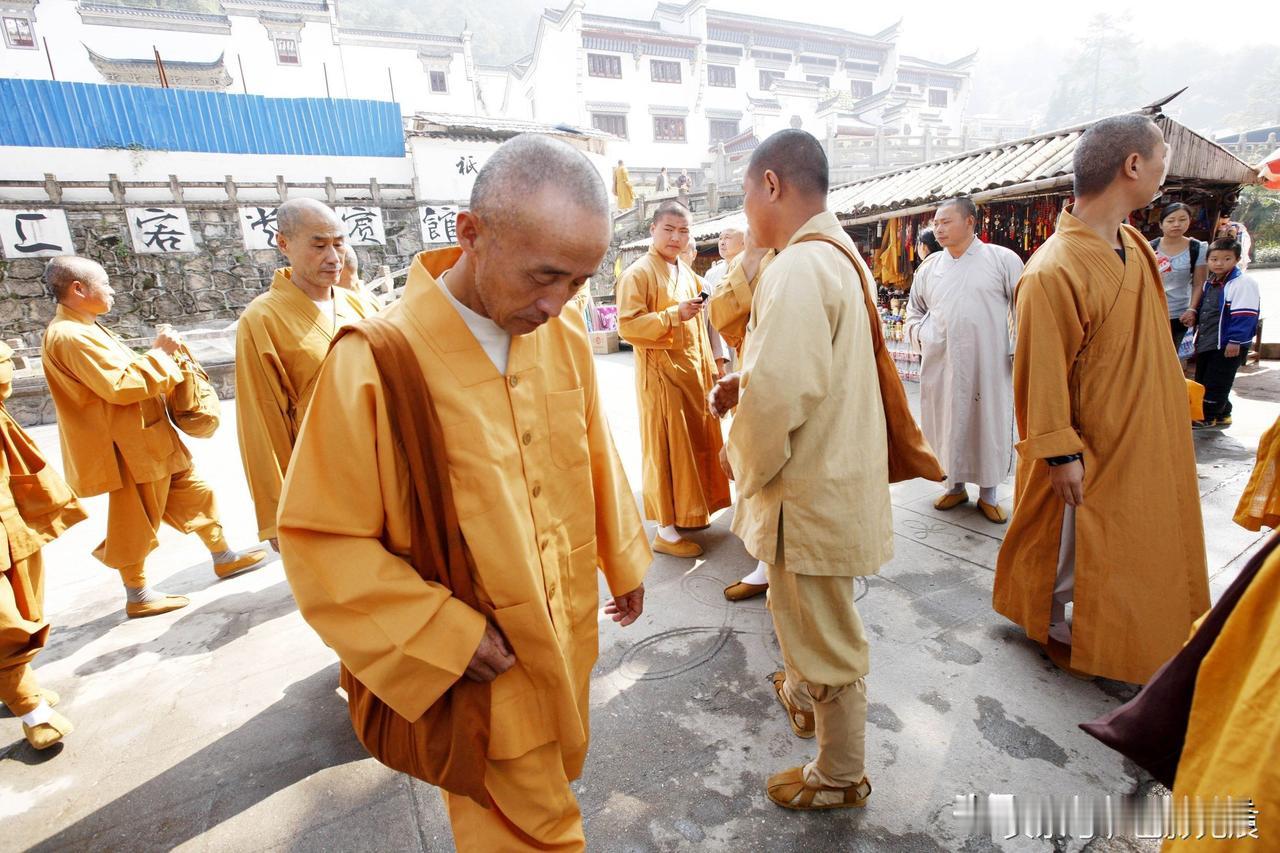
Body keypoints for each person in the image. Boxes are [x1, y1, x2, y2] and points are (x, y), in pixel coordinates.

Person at [276, 134, 650, 851]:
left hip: (565, 630)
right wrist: (443, 633)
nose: (558, 302)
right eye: (544, 276)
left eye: (578, 281)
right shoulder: (379, 361)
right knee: (535, 832)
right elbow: (320, 540)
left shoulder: (562, 327)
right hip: (483, 666)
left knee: (549, 785)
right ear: (470, 234)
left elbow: (590, 443)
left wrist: (621, 554)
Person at [710, 128, 891, 811]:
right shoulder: (839, 256)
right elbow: (801, 374)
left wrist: (743, 463)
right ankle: (810, 704)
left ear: (772, 185)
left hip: (806, 488)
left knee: (826, 635)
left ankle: (840, 774)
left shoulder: (796, 266)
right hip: (833, 472)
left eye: (746, 193)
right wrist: (745, 386)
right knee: (815, 623)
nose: (748, 212)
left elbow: (781, 399)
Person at [993, 114, 1209, 683]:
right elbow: (1039, 374)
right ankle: (1068, 624)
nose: (1166, 168)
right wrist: (1061, 455)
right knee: (1076, 546)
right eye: (1161, 155)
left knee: (1140, 537)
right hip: (1097, 439)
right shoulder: (1052, 269)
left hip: (1145, 426)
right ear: (1133, 165)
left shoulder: (1134, 243)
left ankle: (1130, 623)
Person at [41, 257, 266, 619]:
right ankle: (138, 593)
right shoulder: (69, 336)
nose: (113, 289)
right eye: (105, 282)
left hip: (148, 438)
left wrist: (163, 360)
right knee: (134, 521)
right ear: (78, 289)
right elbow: (120, 386)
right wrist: (160, 355)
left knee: (196, 494)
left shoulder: (88, 327)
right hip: (126, 448)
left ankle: (224, 557)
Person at [235, 198, 382, 550]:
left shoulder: (359, 304)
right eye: (319, 245)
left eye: (339, 243)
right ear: (283, 244)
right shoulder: (261, 320)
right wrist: (277, 514)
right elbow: (261, 418)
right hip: (323, 477)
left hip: (383, 462)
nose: (334, 257)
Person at [617, 202, 731, 558]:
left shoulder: (689, 273)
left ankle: (689, 512)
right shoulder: (638, 273)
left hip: (693, 376)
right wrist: (670, 315)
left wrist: (716, 365)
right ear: (653, 230)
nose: (676, 237)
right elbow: (628, 325)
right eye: (669, 229)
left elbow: (704, 324)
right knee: (665, 450)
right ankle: (665, 531)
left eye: (683, 231)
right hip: (662, 379)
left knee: (694, 445)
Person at [904, 197, 1023, 523]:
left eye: (946, 222)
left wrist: (1016, 349)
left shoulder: (1002, 260)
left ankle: (989, 493)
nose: (938, 229)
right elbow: (914, 311)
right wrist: (925, 335)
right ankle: (954, 486)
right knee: (947, 423)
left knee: (987, 422)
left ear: (970, 222)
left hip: (989, 361)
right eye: (936, 223)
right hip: (943, 362)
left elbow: (1023, 307)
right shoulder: (929, 267)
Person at [0, 341, 87, 750]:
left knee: (24, 601)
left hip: (9, 510)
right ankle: (30, 707)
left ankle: (16, 684)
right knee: (6, 619)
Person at [1190, 239, 1260, 430]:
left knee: (1217, 380)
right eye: (1214, 259)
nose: (1219, 263)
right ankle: (1223, 413)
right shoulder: (1210, 283)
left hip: (1228, 343)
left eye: (1226, 258)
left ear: (1237, 259)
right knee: (1205, 378)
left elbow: (1245, 315)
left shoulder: (1242, 283)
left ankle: (1207, 416)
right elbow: (1208, 310)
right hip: (1209, 339)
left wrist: (1235, 341)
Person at [1150, 203, 1207, 349]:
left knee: (1172, 358)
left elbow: (1199, 283)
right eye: (1170, 221)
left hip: (1181, 314)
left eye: (1182, 220)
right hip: (1152, 312)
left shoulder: (1198, 248)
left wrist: (1192, 309)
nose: (1176, 224)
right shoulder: (1148, 247)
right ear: (1161, 224)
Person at [681, 242, 727, 378]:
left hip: (701, 355)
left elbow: (713, 324)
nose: (678, 257)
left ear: (693, 254)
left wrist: (719, 360)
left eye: (683, 252)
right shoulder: (662, 284)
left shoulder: (703, 287)